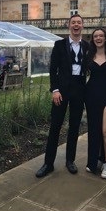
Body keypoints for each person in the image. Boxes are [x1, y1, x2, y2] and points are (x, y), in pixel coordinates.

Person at [35, 14, 89, 178]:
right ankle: (48, 163)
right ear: (69, 26)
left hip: (79, 89)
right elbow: (53, 69)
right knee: (55, 127)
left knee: (74, 127)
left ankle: (70, 161)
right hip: (62, 90)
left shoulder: (87, 46)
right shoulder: (59, 45)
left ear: (82, 26)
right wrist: (55, 90)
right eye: (73, 23)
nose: (76, 25)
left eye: (79, 23)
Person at [85, 28, 106, 178]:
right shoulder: (89, 55)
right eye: (95, 36)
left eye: (101, 36)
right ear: (93, 39)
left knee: (105, 131)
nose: (98, 38)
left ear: (105, 38)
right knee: (93, 130)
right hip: (91, 95)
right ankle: (93, 161)